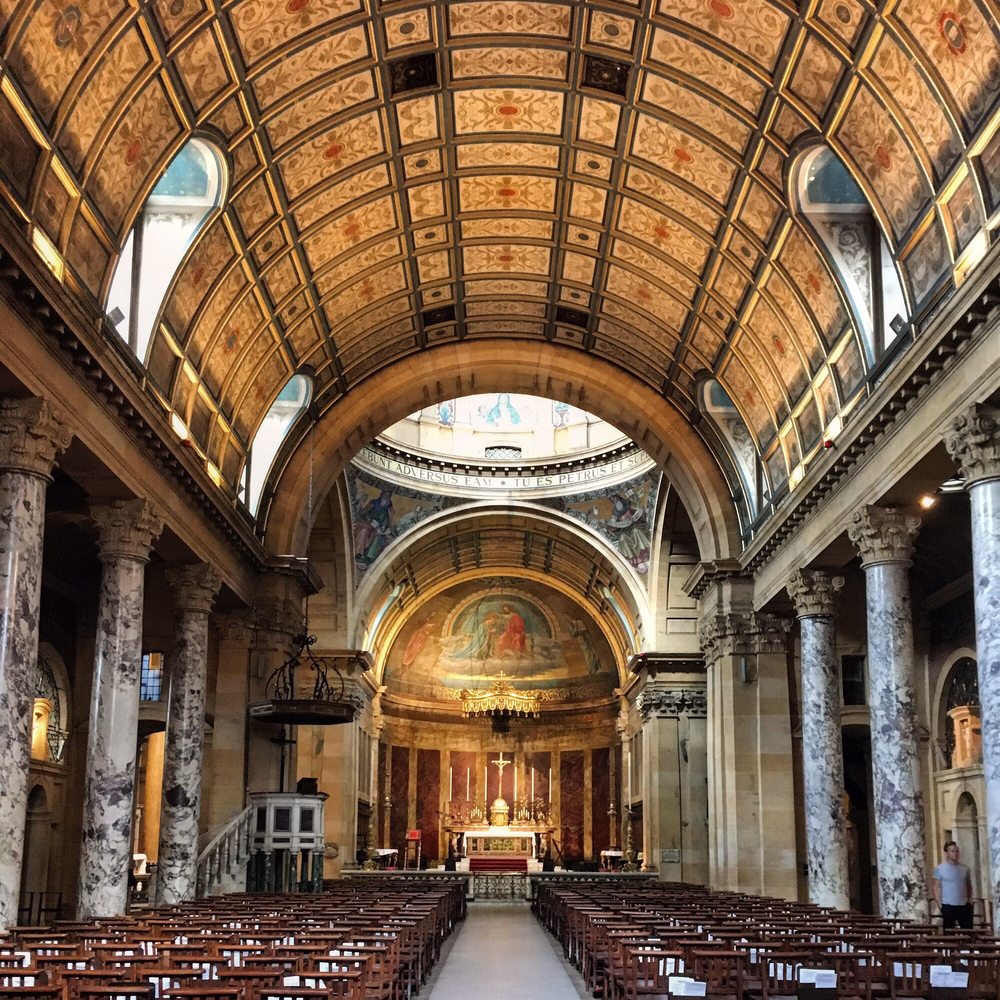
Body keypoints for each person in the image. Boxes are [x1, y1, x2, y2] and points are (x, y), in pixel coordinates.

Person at [932, 840, 974, 928]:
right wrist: (939, 903)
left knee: (968, 930)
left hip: (963, 904)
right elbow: (936, 887)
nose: (955, 853)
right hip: (947, 905)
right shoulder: (940, 868)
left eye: (957, 851)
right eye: (952, 851)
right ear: (947, 853)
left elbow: (969, 885)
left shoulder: (965, 868)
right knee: (949, 930)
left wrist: (969, 900)